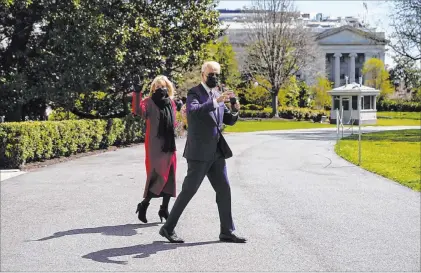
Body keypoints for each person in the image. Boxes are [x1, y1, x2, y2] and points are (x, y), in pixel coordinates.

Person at [159, 61, 247, 243]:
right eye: (210, 74)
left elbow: (227, 120)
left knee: (224, 189)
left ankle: (227, 231)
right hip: (199, 153)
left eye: (216, 73)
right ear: (202, 75)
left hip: (216, 153)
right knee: (188, 191)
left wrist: (235, 111)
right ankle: (168, 228)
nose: (214, 77)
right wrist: (216, 101)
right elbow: (193, 111)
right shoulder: (195, 93)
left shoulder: (218, 94)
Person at [132, 75, 178, 224]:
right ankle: (144, 204)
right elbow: (138, 111)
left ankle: (164, 208)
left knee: (169, 176)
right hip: (155, 146)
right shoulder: (148, 102)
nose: (160, 89)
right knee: (158, 176)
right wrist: (137, 92)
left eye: (163, 86)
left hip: (169, 145)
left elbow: (174, 122)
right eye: (157, 87)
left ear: (168, 88)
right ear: (153, 89)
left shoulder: (171, 103)